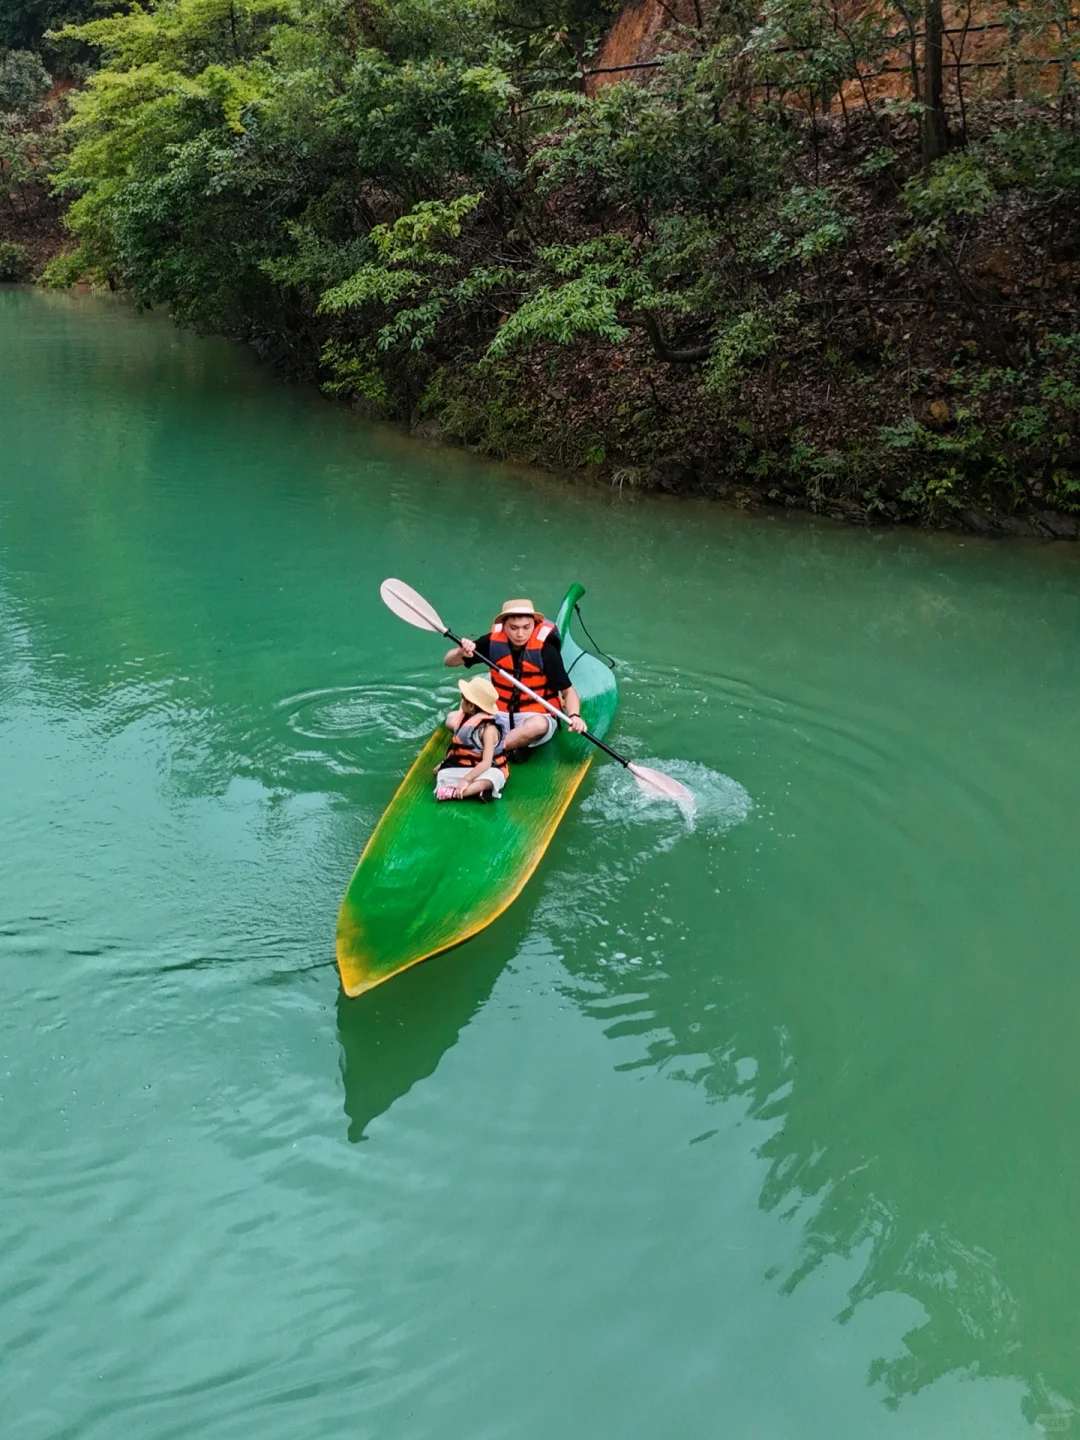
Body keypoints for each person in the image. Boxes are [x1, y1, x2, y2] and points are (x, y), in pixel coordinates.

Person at [444, 598, 588, 758]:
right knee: (451, 719)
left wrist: (575, 715)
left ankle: (485, 750)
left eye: (526, 627)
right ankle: (498, 747)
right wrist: (460, 652)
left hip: (533, 715)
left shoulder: (546, 651)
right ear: (504, 626)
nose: (520, 634)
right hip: (496, 712)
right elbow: (449, 662)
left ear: (534, 624)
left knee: (537, 726)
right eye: (513, 628)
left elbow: (568, 692)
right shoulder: (492, 642)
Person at [434, 675, 510, 801]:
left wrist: (466, 779)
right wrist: (444, 763)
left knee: (495, 777)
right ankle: (477, 791)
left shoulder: (489, 730)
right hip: (463, 767)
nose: (461, 701)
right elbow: (456, 748)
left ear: (471, 707)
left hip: (487, 769)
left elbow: (486, 763)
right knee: (441, 774)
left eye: (463, 699)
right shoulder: (464, 718)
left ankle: (457, 793)